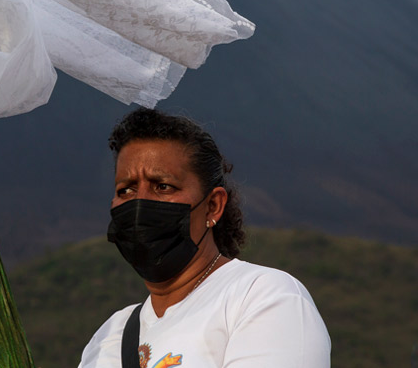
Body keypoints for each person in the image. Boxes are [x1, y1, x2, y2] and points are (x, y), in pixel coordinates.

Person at [78, 108, 331, 368]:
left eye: (163, 186)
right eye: (126, 189)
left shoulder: (264, 298)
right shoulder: (110, 336)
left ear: (212, 206)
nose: (140, 202)